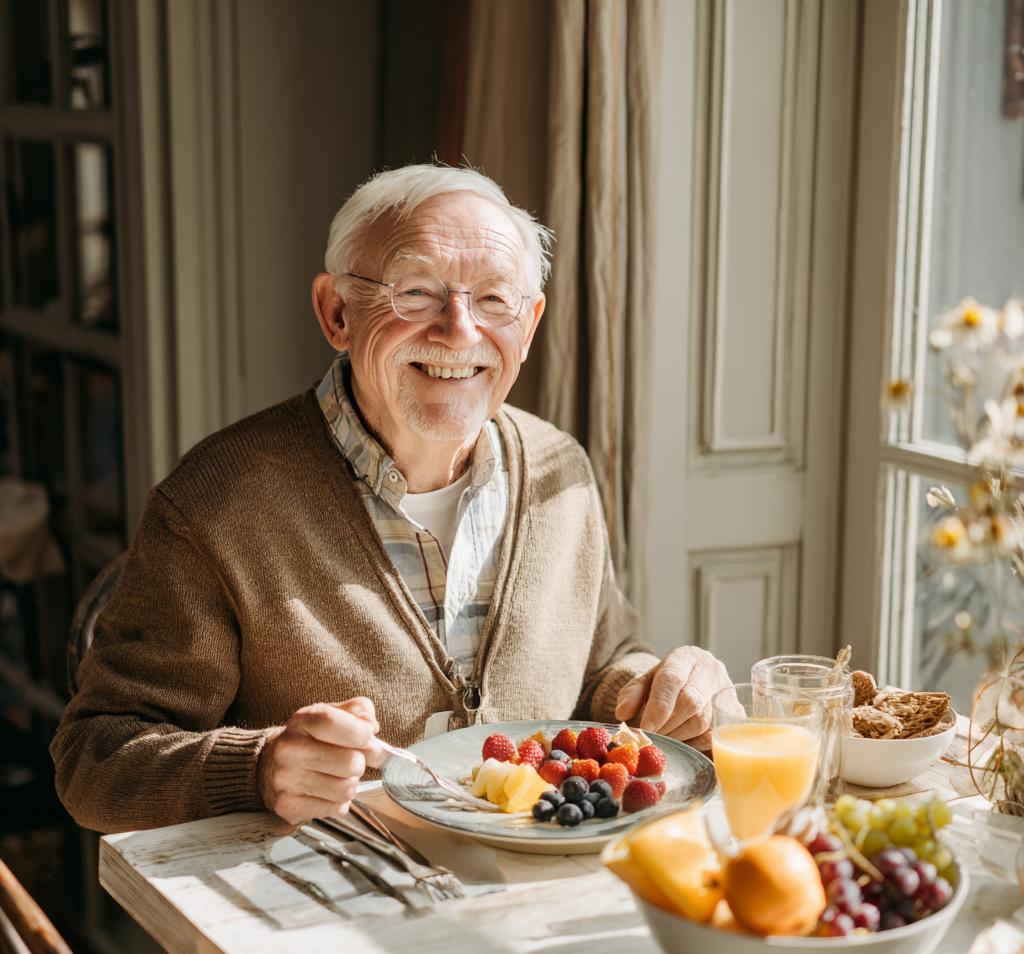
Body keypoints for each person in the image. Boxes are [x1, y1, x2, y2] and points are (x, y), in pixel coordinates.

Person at [51, 165, 729, 833]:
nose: (459, 329)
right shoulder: (218, 500)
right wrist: (258, 766)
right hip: (321, 914)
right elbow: (94, 759)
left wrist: (655, 691)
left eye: (495, 299)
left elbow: (606, 660)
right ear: (337, 312)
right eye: (415, 292)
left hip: (532, 903)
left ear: (528, 324)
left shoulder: (560, 472)